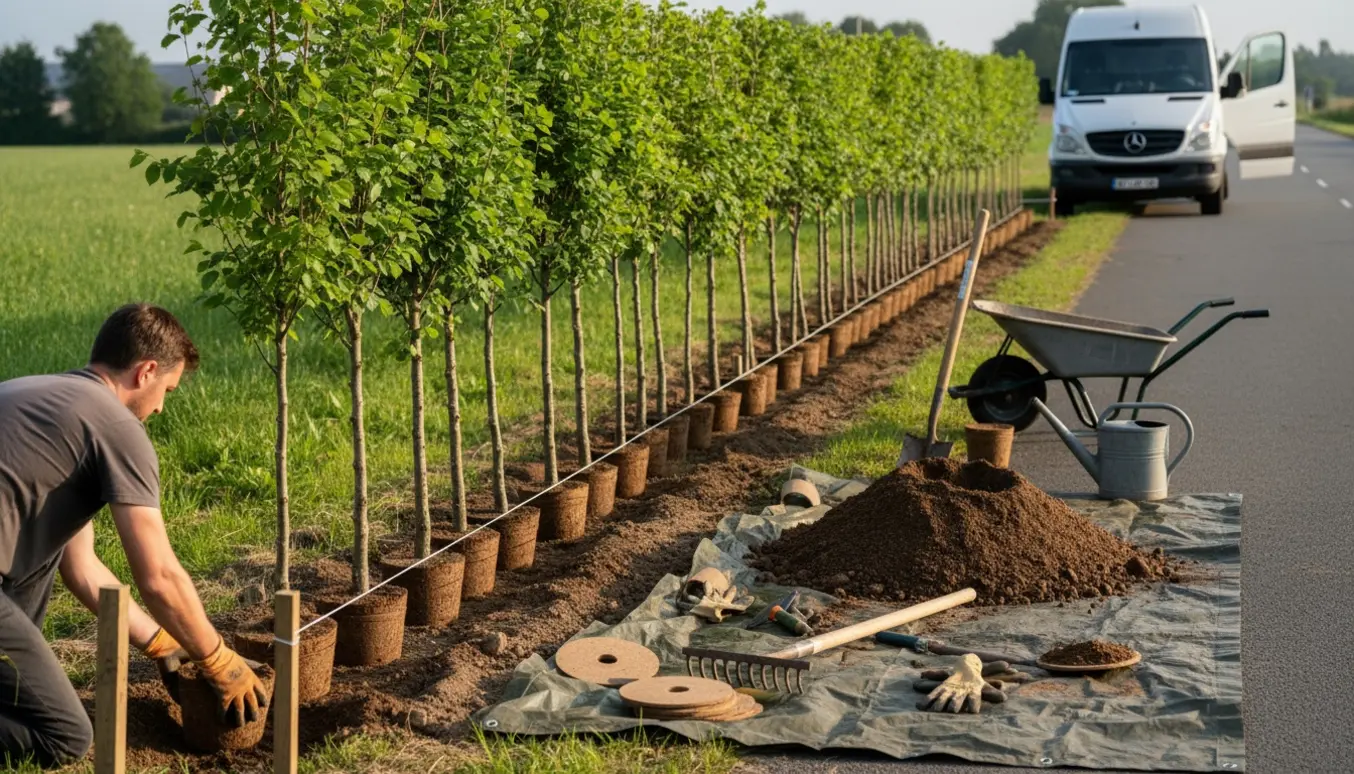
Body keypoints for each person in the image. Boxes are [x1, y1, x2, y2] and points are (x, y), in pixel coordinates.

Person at [0, 304, 268, 768]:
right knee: (64, 735)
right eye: (167, 389)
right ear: (146, 372)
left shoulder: (43, 400)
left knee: (47, 551)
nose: (161, 406)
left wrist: (162, 643)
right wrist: (216, 657)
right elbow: (160, 577)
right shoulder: (117, 427)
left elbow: (82, 569)